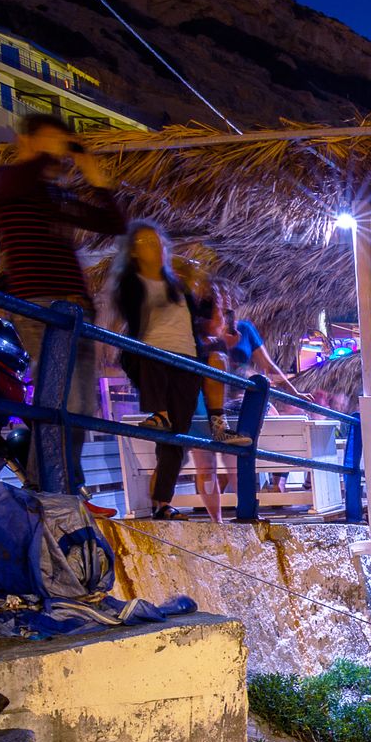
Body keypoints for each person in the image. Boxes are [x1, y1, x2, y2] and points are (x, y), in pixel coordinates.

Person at [0, 113, 127, 492]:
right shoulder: (7, 179)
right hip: (41, 301)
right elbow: (23, 178)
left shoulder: (56, 196)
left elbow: (115, 222)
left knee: (81, 406)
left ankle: (64, 484)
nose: (58, 151)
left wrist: (92, 172)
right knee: (56, 397)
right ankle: (45, 485)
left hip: (77, 306)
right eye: (51, 140)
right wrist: (44, 152)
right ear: (27, 141)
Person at [110, 222, 210, 520]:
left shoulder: (178, 286)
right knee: (152, 360)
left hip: (187, 360)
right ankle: (158, 412)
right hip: (152, 353)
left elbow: (197, 321)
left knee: (175, 437)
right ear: (134, 252)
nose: (152, 247)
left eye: (156, 242)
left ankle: (162, 503)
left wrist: (199, 289)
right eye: (144, 242)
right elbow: (130, 316)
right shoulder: (131, 284)